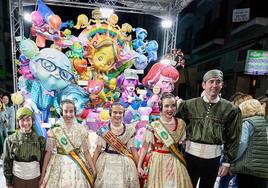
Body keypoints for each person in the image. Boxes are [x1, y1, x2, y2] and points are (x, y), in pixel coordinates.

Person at [176, 69, 242, 188]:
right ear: (203, 85)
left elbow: (233, 137)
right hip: (190, 157)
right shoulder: (188, 105)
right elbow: (176, 125)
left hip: (213, 159)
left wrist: (227, 162)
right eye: (211, 81)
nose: (214, 85)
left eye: (218, 82)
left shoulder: (231, 109)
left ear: (222, 84)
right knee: (186, 185)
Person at [137, 92, 192, 188]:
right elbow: (145, 147)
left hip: (175, 161)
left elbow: (183, 144)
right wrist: (139, 165)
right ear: (161, 107)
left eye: (173, 106)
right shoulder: (153, 126)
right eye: (166, 106)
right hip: (157, 162)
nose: (170, 109)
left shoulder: (181, 124)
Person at [40, 99, 96, 188]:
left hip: (78, 166)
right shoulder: (55, 129)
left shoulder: (81, 129)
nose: (69, 114)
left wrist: (93, 170)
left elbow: (86, 152)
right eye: (66, 111)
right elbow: (49, 152)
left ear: (75, 112)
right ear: (61, 112)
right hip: (58, 165)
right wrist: (43, 174)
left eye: (71, 111)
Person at [93, 102, 140, 188]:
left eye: (120, 113)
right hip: (106, 163)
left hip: (125, 164)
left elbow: (133, 150)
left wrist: (139, 166)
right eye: (115, 112)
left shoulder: (130, 130)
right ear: (110, 114)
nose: (117, 115)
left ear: (123, 114)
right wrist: (92, 168)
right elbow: (97, 150)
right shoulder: (104, 130)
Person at [3, 107, 46, 188]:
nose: (25, 123)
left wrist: (42, 178)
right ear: (18, 121)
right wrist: (9, 182)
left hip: (35, 178)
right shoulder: (10, 140)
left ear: (32, 121)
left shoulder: (40, 140)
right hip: (17, 179)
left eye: (28, 119)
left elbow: (43, 161)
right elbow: (6, 162)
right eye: (22, 120)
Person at [230, 99, 268, 188]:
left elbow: (241, 143)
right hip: (263, 170)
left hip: (248, 168)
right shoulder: (265, 122)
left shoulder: (247, 123)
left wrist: (232, 160)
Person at [218, 92, 253, 188]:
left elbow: (241, 143)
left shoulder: (244, 123)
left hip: (236, 162)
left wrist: (229, 163)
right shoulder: (251, 122)